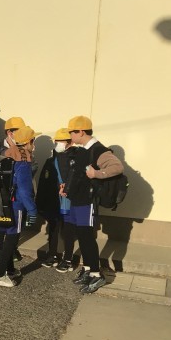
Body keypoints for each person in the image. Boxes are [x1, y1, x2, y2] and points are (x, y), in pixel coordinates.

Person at [61, 116, 124, 294]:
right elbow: (78, 174)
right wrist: (66, 187)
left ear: (81, 131)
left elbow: (117, 167)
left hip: (87, 201)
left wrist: (97, 174)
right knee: (82, 235)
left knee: (87, 237)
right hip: (77, 198)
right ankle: (88, 270)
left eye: (72, 132)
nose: (70, 136)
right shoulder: (83, 150)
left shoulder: (99, 150)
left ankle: (97, 274)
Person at [0, 125, 40, 287]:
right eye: (33, 141)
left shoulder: (6, 154)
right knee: (12, 239)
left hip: (2, 202)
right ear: (28, 142)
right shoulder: (23, 160)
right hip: (16, 205)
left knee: (7, 236)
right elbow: (25, 191)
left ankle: (10, 270)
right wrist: (32, 210)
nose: (34, 145)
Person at [36, 128, 77, 271]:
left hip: (69, 200)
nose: (58, 144)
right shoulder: (50, 161)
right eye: (57, 141)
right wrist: (40, 202)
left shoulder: (76, 159)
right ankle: (52, 255)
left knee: (68, 230)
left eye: (62, 141)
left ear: (70, 142)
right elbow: (43, 182)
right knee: (53, 228)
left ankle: (68, 259)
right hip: (53, 200)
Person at [0, 116, 25, 262]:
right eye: (19, 131)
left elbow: (33, 166)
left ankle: (13, 248)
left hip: (18, 191)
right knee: (1, 220)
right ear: (9, 132)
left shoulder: (24, 146)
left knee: (17, 221)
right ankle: (0, 249)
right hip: (0, 189)